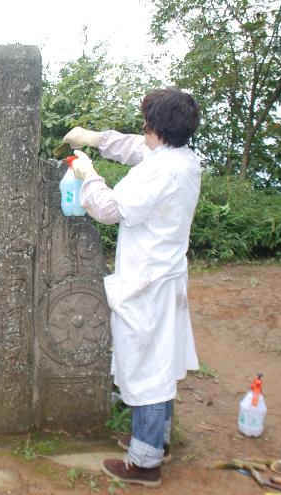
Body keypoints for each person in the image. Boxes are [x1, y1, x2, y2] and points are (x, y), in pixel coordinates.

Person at [63, 86, 202, 488]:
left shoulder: (160, 171)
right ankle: (155, 440)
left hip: (148, 283)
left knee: (147, 369)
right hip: (165, 275)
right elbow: (137, 149)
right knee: (159, 361)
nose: (142, 128)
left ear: (155, 125)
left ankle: (144, 462)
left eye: (145, 121)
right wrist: (95, 139)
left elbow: (109, 209)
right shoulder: (181, 159)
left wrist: (89, 175)